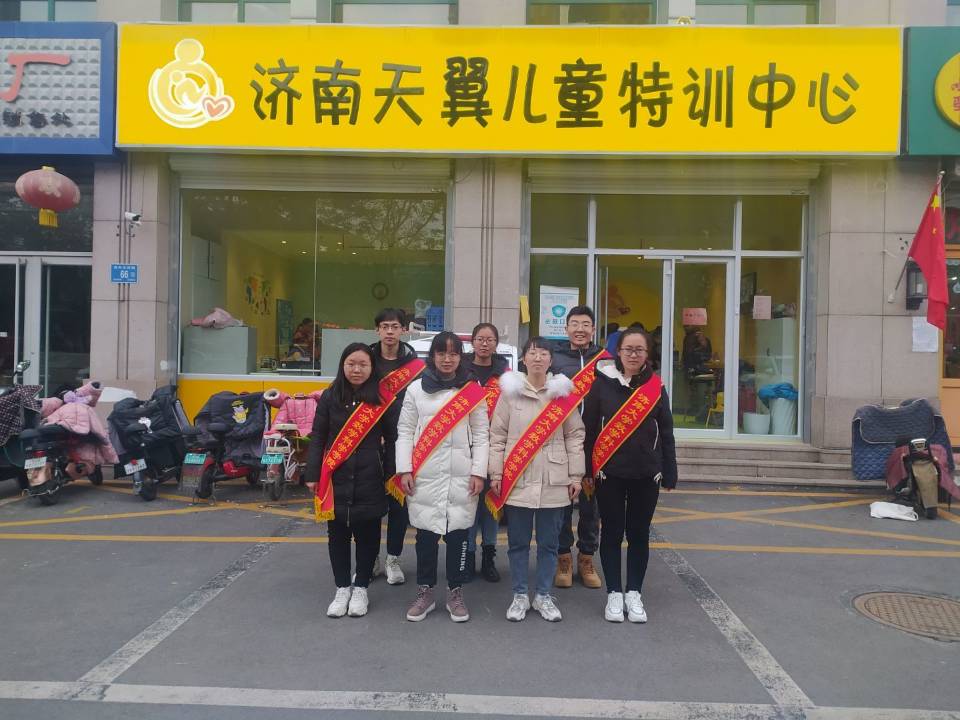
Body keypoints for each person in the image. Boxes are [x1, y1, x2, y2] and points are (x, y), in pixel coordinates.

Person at [583, 328, 677, 624]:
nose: (633, 355)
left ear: (647, 354)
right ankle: (614, 592)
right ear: (618, 352)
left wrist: (669, 469)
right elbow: (589, 430)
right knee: (612, 533)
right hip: (609, 473)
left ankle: (634, 592)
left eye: (639, 350)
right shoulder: (602, 384)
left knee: (639, 534)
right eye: (628, 349)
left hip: (647, 473)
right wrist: (587, 469)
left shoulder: (656, 387)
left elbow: (667, 431)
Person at [488, 337, 585, 622]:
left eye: (544, 353)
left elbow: (575, 436)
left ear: (551, 360)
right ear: (524, 359)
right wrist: (496, 473)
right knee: (517, 543)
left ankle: (543, 595)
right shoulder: (510, 394)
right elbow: (497, 437)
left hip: (554, 479)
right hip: (517, 478)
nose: (538, 358)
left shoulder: (562, 394)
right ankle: (519, 595)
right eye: (532, 353)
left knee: (549, 544)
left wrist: (576, 475)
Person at [396, 331, 489, 623]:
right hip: (426, 475)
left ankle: (455, 592)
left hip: (462, 476)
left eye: (453, 353)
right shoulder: (416, 389)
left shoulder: (472, 389)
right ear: (433, 356)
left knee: (459, 536)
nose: (447, 359)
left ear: (460, 357)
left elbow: (482, 435)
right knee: (425, 537)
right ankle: (425, 592)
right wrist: (404, 469)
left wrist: (479, 472)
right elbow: (405, 432)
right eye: (441, 353)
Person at [304, 343, 400, 619]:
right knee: (337, 536)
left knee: (368, 536)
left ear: (372, 368)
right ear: (342, 366)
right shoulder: (330, 396)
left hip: (371, 475)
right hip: (336, 477)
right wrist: (312, 473)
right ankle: (342, 588)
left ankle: (361, 589)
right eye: (351, 364)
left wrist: (390, 474)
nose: (357, 369)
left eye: (363, 365)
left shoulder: (382, 399)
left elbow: (393, 438)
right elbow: (318, 436)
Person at [549, 305, 604, 590]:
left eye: (585, 324)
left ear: (593, 329)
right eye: (574, 324)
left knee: (590, 506)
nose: (580, 329)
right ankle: (563, 560)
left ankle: (586, 558)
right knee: (561, 504)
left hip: (594, 445)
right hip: (561, 443)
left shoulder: (605, 361)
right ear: (566, 328)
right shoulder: (554, 359)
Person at [369, 308, 420, 586]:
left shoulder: (414, 364)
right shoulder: (365, 359)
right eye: (385, 326)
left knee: (399, 505)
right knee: (370, 506)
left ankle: (393, 559)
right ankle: (371, 558)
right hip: (368, 443)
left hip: (401, 443)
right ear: (377, 329)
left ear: (403, 330)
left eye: (395, 326)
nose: (390, 331)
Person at [464, 322, 509, 583]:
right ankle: (468, 555)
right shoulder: (461, 370)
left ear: (496, 343)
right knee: (470, 501)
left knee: (491, 504)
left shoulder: (506, 375)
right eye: (480, 339)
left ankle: (489, 557)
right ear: (472, 342)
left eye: (489, 339)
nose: (484, 343)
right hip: (466, 447)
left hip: (495, 447)